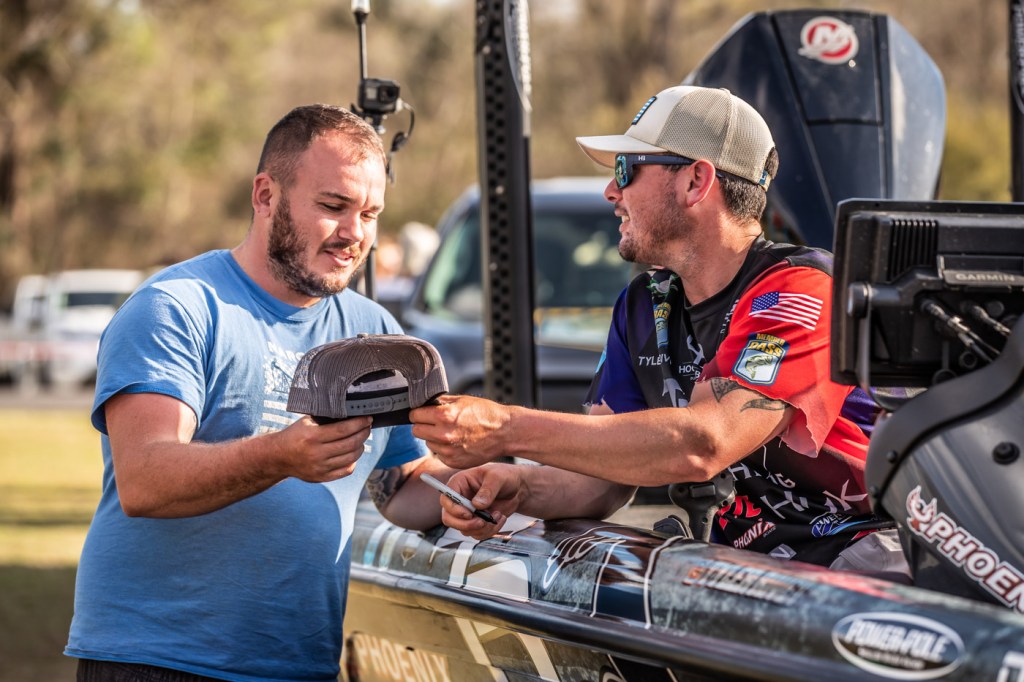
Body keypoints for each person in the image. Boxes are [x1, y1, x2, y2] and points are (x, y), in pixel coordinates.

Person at [410, 85, 906, 573]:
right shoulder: (644, 304)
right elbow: (601, 480)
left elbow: (704, 443)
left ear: (695, 181)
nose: (611, 192)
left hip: (860, 557)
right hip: (750, 573)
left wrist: (506, 429)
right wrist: (516, 486)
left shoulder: (803, 288)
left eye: (626, 169)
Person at [65, 104, 461, 682]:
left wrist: (477, 486)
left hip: (299, 665)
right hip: (160, 661)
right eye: (333, 206)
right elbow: (145, 480)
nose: (355, 233)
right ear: (266, 195)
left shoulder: (376, 333)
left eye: (370, 213)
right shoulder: (176, 307)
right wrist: (282, 456)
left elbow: (399, 485)